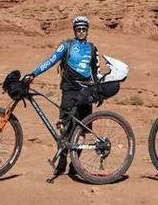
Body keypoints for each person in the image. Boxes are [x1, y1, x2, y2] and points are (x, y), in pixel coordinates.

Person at [23, 15, 100, 176]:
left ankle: (75, 164)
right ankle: (62, 160)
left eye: (84, 29)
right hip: (69, 92)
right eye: (78, 29)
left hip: (86, 93)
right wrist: (34, 74)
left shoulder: (92, 48)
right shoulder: (67, 46)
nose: (81, 32)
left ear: (87, 30)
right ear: (74, 30)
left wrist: (98, 92)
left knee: (83, 130)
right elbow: (51, 60)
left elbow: (96, 73)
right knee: (65, 128)